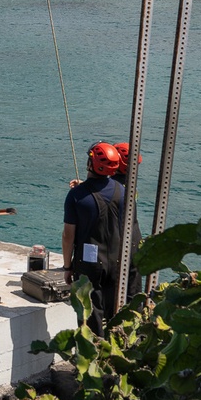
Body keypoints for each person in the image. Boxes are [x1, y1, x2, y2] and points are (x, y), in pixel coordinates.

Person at [62, 141, 141, 336]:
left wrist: (67, 267)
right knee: (117, 310)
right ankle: (119, 352)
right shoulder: (124, 191)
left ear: (91, 165)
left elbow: (68, 236)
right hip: (117, 260)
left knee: (89, 312)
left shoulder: (76, 196)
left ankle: (93, 356)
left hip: (89, 263)